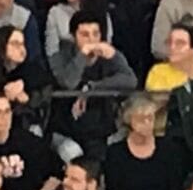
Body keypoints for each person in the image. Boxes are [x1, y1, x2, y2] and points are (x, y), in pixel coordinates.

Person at [49, 12, 138, 156]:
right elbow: (69, 82)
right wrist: (82, 55)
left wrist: (93, 87)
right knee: (72, 152)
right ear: (73, 36)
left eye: (96, 34)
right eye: (85, 35)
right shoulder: (59, 58)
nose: (91, 40)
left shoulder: (110, 56)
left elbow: (131, 81)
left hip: (102, 130)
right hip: (66, 131)